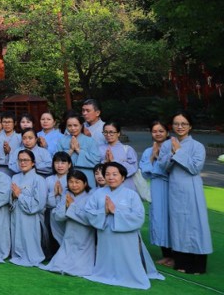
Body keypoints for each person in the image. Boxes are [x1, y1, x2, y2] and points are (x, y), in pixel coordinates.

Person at [81, 162, 163, 289]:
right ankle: (105, 273)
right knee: (108, 257)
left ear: (123, 177)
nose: (111, 177)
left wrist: (115, 211)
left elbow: (139, 217)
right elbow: (88, 212)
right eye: (107, 174)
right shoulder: (98, 194)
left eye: (115, 174)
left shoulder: (132, 195)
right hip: (106, 234)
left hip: (126, 238)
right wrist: (104, 211)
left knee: (127, 259)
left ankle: (129, 275)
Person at [167, 111, 212, 274]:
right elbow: (164, 167)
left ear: (190, 126)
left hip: (192, 190)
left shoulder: (197, 146)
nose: (180, 127)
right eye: (176, 123)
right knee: (178, 225)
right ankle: (181, 262)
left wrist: (179, 152)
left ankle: (197, 265)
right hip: (174, 189)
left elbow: (194, 168)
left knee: (195, 224)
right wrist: (171, 154)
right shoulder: (168, 144)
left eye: (183, 124)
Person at [41, 170, 95, 277]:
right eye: (71, 182)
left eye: (77, 182)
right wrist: (66, 206)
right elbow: (57, 215)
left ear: (85, 183)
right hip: (69, 231)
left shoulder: (91, 197)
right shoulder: (67, 195)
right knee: (60, 261)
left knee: (79, 263)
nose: (74, 185)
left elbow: (89, 218)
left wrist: (72, 206)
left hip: (84, 234)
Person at [140, 120, 172, 265]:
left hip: (171, 186)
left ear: (167, 132)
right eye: (154, 131)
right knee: (158, 218)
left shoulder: (173, 148)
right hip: (156, 187)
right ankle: (166, 254)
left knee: (172, 219)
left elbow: (169, 169)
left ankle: (176, 255)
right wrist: (153, 157)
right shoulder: (148, 151)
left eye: (161, 131)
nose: (157, 134)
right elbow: (144, 172)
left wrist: (158, 160)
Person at [9, 149, 47, 267]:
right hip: (16, 212)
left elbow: (39, 204)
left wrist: (20, 195)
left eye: (26, 160)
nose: (23, 163)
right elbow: (10, 197)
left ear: (33, 162)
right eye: (20, 160)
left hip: (31, 216)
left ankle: (32, 256)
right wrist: (13, 196)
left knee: (30, 238)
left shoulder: (39, 180)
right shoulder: (15, 177)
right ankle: (17, 255)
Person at [59, 114, 101, 187]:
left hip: (87, 174)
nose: (72, 128)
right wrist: (71, 150)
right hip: (67, 175)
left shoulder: (90, 141)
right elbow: (56, 161)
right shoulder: (61, 141)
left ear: (81, 126)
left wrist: (78, 150)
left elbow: (96, 161)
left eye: (75, 125)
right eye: (69, 126)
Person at [98, 121, 138, 191]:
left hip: (126, 186)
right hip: (106, 187)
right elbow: (96, 169)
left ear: (118, 133)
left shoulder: (127, 149)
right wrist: (105, 162)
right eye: (105, 132)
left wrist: (114, 161)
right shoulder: (99, 149)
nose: (108, 135)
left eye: (111, 132)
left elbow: (133, 168)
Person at [45, 151, 73, 247]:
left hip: (67, 214)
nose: (59, 165)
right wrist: (54, 194)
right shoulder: (48, 180)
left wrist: (61, 194)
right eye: (57, 162)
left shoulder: (73, 179)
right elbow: (44, 201)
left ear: (69, 164)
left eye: (63, 162)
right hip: (51, 214)